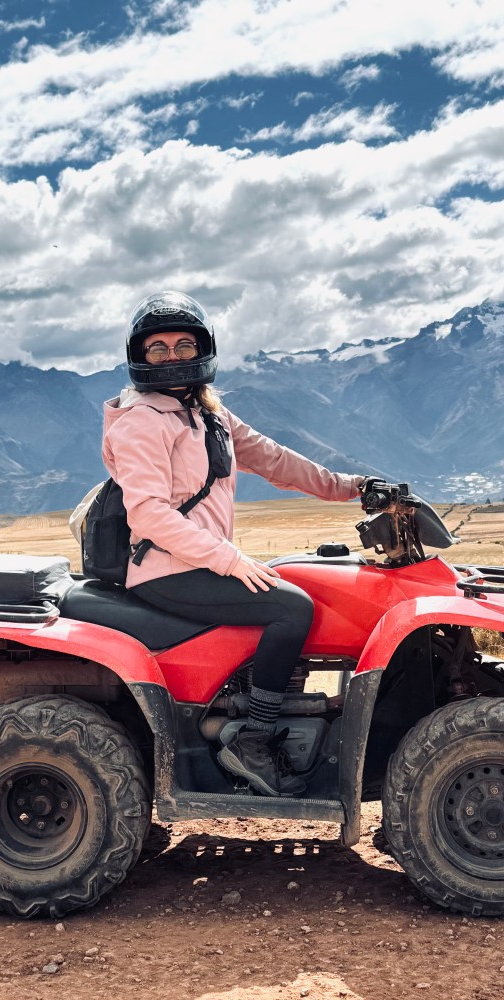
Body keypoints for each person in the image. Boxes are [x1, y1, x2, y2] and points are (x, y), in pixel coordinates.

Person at [102, 290, 363, 798]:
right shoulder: (142, 421)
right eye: (158, 348)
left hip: (197, 561)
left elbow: (276, 460)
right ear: (140, 356)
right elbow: (148, 512)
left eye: (183, 344)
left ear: (203, 347)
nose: (172, 355)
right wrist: (229, 558)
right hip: (166, 569)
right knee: (291, 610)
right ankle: (254, 741)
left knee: (304, 590)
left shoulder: (206, 415)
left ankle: (262, 710)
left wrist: (352, 486)